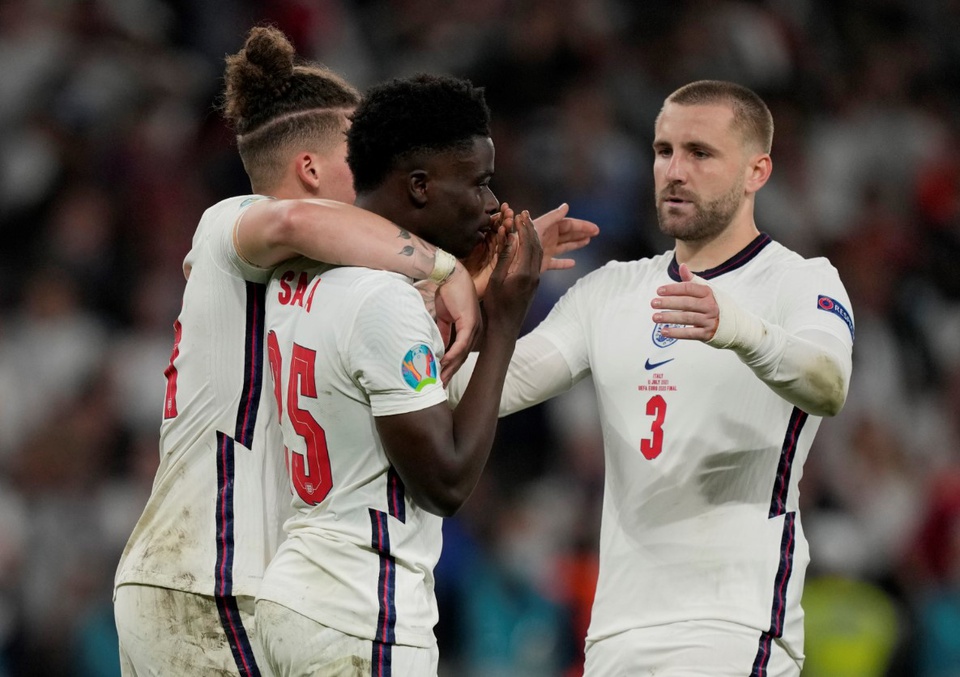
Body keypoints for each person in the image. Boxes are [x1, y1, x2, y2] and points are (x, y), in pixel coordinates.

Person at [112, 26, 592, 676]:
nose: (371, 176)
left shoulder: (326, 282)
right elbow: (295, 222)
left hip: (241, 582)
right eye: (356, 159)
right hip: (216, 575)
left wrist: (491, 281)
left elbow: (416, 366)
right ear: (310, 169)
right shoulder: (235, 224)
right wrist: (449, 269)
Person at [448, 80, 856, 676]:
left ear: (756, 171)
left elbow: (829, 382)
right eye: (664, 151)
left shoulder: (799, 281)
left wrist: (738, 328)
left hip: (733, 629)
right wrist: (466, 288)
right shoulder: (609, 291)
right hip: (615, 636)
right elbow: (469, 394)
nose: (674, 170)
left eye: (701, 153)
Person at [253, 73, 542, 676]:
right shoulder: (385, 300)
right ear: (419, 186)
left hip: (298, 595)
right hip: (362, 611)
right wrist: (505, 320)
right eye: (480, 183)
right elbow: (446, 482)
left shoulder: (300, 277)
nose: (493, 204)